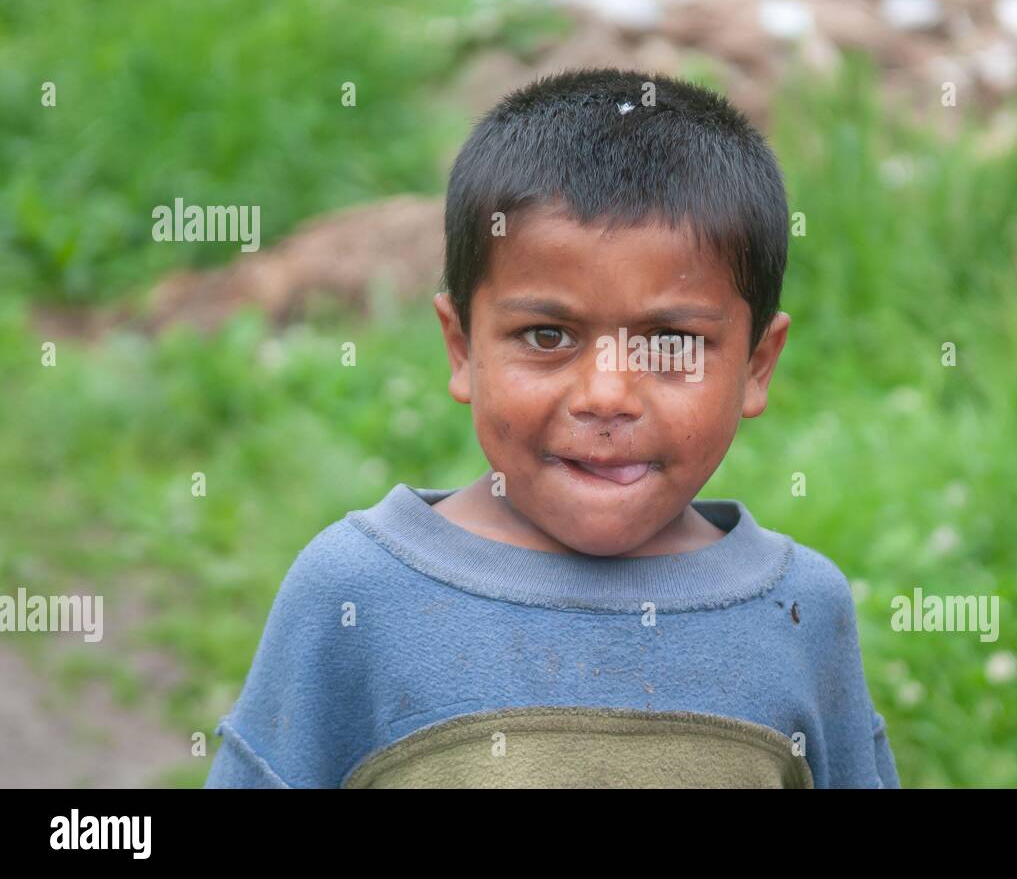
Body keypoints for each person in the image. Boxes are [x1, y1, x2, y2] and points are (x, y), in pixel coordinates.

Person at [205, 67, 899, 788]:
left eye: (669, 343)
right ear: (463, 347)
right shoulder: (354, 596)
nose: (605, 394)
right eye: (545, 335)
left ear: (757, 364)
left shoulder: (801, 615)